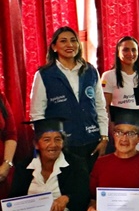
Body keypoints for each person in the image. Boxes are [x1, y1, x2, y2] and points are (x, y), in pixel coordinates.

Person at [29, 27, 110, 163]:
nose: (70, 45)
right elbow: (37, 114)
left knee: (91, 182)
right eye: (63, 41)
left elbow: (100, 107)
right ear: (54, 47)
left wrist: (104, 137)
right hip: (62, 145)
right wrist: (49, 143)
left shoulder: (90, 71)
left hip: (92, 141)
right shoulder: (44, 75)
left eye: (73, 40)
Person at [101, 37, 139, 108]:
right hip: (120, 118)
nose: (130, 53)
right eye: (125, 50)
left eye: (134, 50)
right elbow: (105, 106)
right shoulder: (108, 76)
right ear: (118, 53)